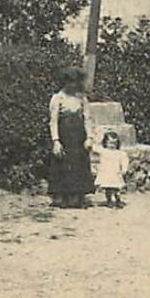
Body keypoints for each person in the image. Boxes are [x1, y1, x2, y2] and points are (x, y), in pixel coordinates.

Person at [46, 68, 94, 209]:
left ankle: (77, 196)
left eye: (75, 82)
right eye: (69, 82)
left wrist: (89, 137)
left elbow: (87, 118)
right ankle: (62, 196)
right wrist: (56, 141)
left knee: (78, 164)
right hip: (64, 135)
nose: (72, 85)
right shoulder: (57, 98)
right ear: (64, 81)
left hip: (79, 137)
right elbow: (53, 121)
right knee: (62, 164)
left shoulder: (81, 98)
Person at [93, 129, 130, 209]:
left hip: (115, 173)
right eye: (110, 143)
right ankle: (109, 200)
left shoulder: (120, 153)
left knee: (116, 189)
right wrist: (97, 136)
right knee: (108, 189)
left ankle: (118, 199)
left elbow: (125, 161)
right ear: (105, 143)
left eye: (114, 143)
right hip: (106, 174)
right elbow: (94, 147)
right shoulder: (103, 151)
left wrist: (124, 169)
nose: (112, 145)